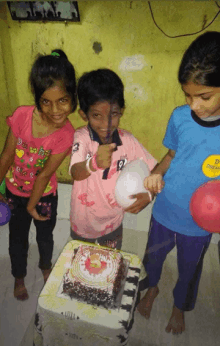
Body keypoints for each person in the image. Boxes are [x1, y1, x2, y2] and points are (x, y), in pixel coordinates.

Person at [137, 31, 220, 334]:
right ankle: (152, 289)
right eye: (188, 95)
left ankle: (179, 307)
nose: (194, 104)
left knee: (189, 271)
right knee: (153, 257)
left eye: (204, 96)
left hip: (199, 224)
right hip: (166, 211)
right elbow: (171, 155)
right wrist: (157, 172)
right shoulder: (180, 117)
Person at [0, 49, 77, 300]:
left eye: (63, 100)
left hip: (43, 196)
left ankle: (46, 268)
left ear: (73, 97)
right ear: (37, 98)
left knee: (45, 237)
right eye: (46, 101)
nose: (55, 110)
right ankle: (19, 277)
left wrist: (33, 205)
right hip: (14, 193)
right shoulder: (22, 116)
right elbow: (7, 156)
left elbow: (44, 175)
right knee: (17, 239)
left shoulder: (66, 134)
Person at [69, 68, 157, 249]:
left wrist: (149, 194)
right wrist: (93, 163)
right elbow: (75, 173)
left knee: (110, 267)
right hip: (83, 224)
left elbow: (154, 169)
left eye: (113, 114)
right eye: (96, 116)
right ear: (84, 114)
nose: (106, 124)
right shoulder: (82, 137)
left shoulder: (128, 141)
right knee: (82, 267)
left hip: (113, 224)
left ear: (122, 111)